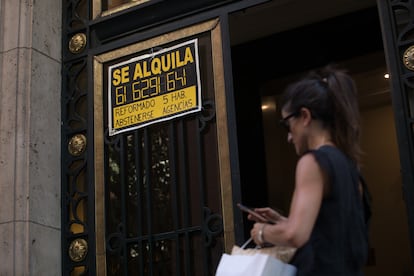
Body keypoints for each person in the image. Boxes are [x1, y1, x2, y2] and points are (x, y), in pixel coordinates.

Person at [248, 65, 372, 275]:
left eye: (287, 125)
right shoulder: (351, 168)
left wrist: (261, 232)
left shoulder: (312, 162)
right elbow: (332, 231)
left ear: (304, 116)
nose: (288, 137)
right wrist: (283, 221)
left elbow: (294, 235)